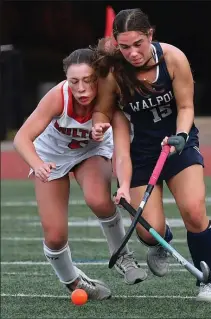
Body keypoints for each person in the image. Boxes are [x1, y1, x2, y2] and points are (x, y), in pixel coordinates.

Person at [91, 8, 211, 301]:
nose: (132, 53)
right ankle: (163, 241)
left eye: (138, 43)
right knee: (150, 232)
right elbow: (102, 109)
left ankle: (209, 281)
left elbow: (186, 107)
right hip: (142, 153)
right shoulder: (115, 72)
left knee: (193, 210)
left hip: (179, 142)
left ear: (150, 34)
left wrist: (181, 136)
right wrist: (99, 123)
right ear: (116, 43)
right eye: (124, 47)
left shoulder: (173, 59)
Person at [13, 48, 148, 300]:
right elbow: (22, 137)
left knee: (98, 199)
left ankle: (123, 257)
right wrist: (37, 163)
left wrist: (124, 186)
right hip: (51, 155)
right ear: (66, 79)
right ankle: (74, 282)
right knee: (54, 236)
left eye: (88, 80)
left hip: (92, 152)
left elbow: (122, 154)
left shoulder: (112, 102)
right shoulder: (58, 96)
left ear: (99, 78)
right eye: (74, 81)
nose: (81, 88)